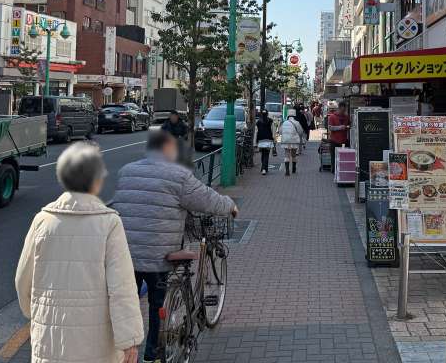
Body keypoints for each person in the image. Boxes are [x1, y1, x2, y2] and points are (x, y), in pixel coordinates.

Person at [111, 131, 237, 363]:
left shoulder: (126, 171)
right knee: (158, 303)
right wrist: (230, 205)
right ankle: (152, 355)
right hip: (159, 256)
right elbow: (207, 199)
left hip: (124, 253)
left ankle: (121, 353)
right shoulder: (178, 176)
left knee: (124, 303)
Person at [15, 142, 143, 363]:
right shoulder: (109, 223)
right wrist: (128, 339)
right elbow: (121, 287)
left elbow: (22, 280)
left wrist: (38, 314)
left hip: (51, 342)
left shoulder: (42, 220)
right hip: (96, 346)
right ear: (96, 180)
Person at [279, 109, 305, 176]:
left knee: (287, 155)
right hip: (294, 141)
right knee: (294, 155)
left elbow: (280, 132)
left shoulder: (284, 123)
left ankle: (287, 171)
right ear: (294, 115)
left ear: (288, 115)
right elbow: (300, 132)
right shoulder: (297, 123)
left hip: (285, 141)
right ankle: (294, 169)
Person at [255, 110, 276, 175]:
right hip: (268, 140)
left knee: (263, 154)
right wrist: (274, 139)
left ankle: (264, 168)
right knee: (266, 154)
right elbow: (273, 131)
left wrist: (255, 142)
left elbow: (256, 132)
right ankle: (264, 168)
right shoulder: (270, 121)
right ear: (267, 114)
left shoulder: (258, 122)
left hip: (260, 140)